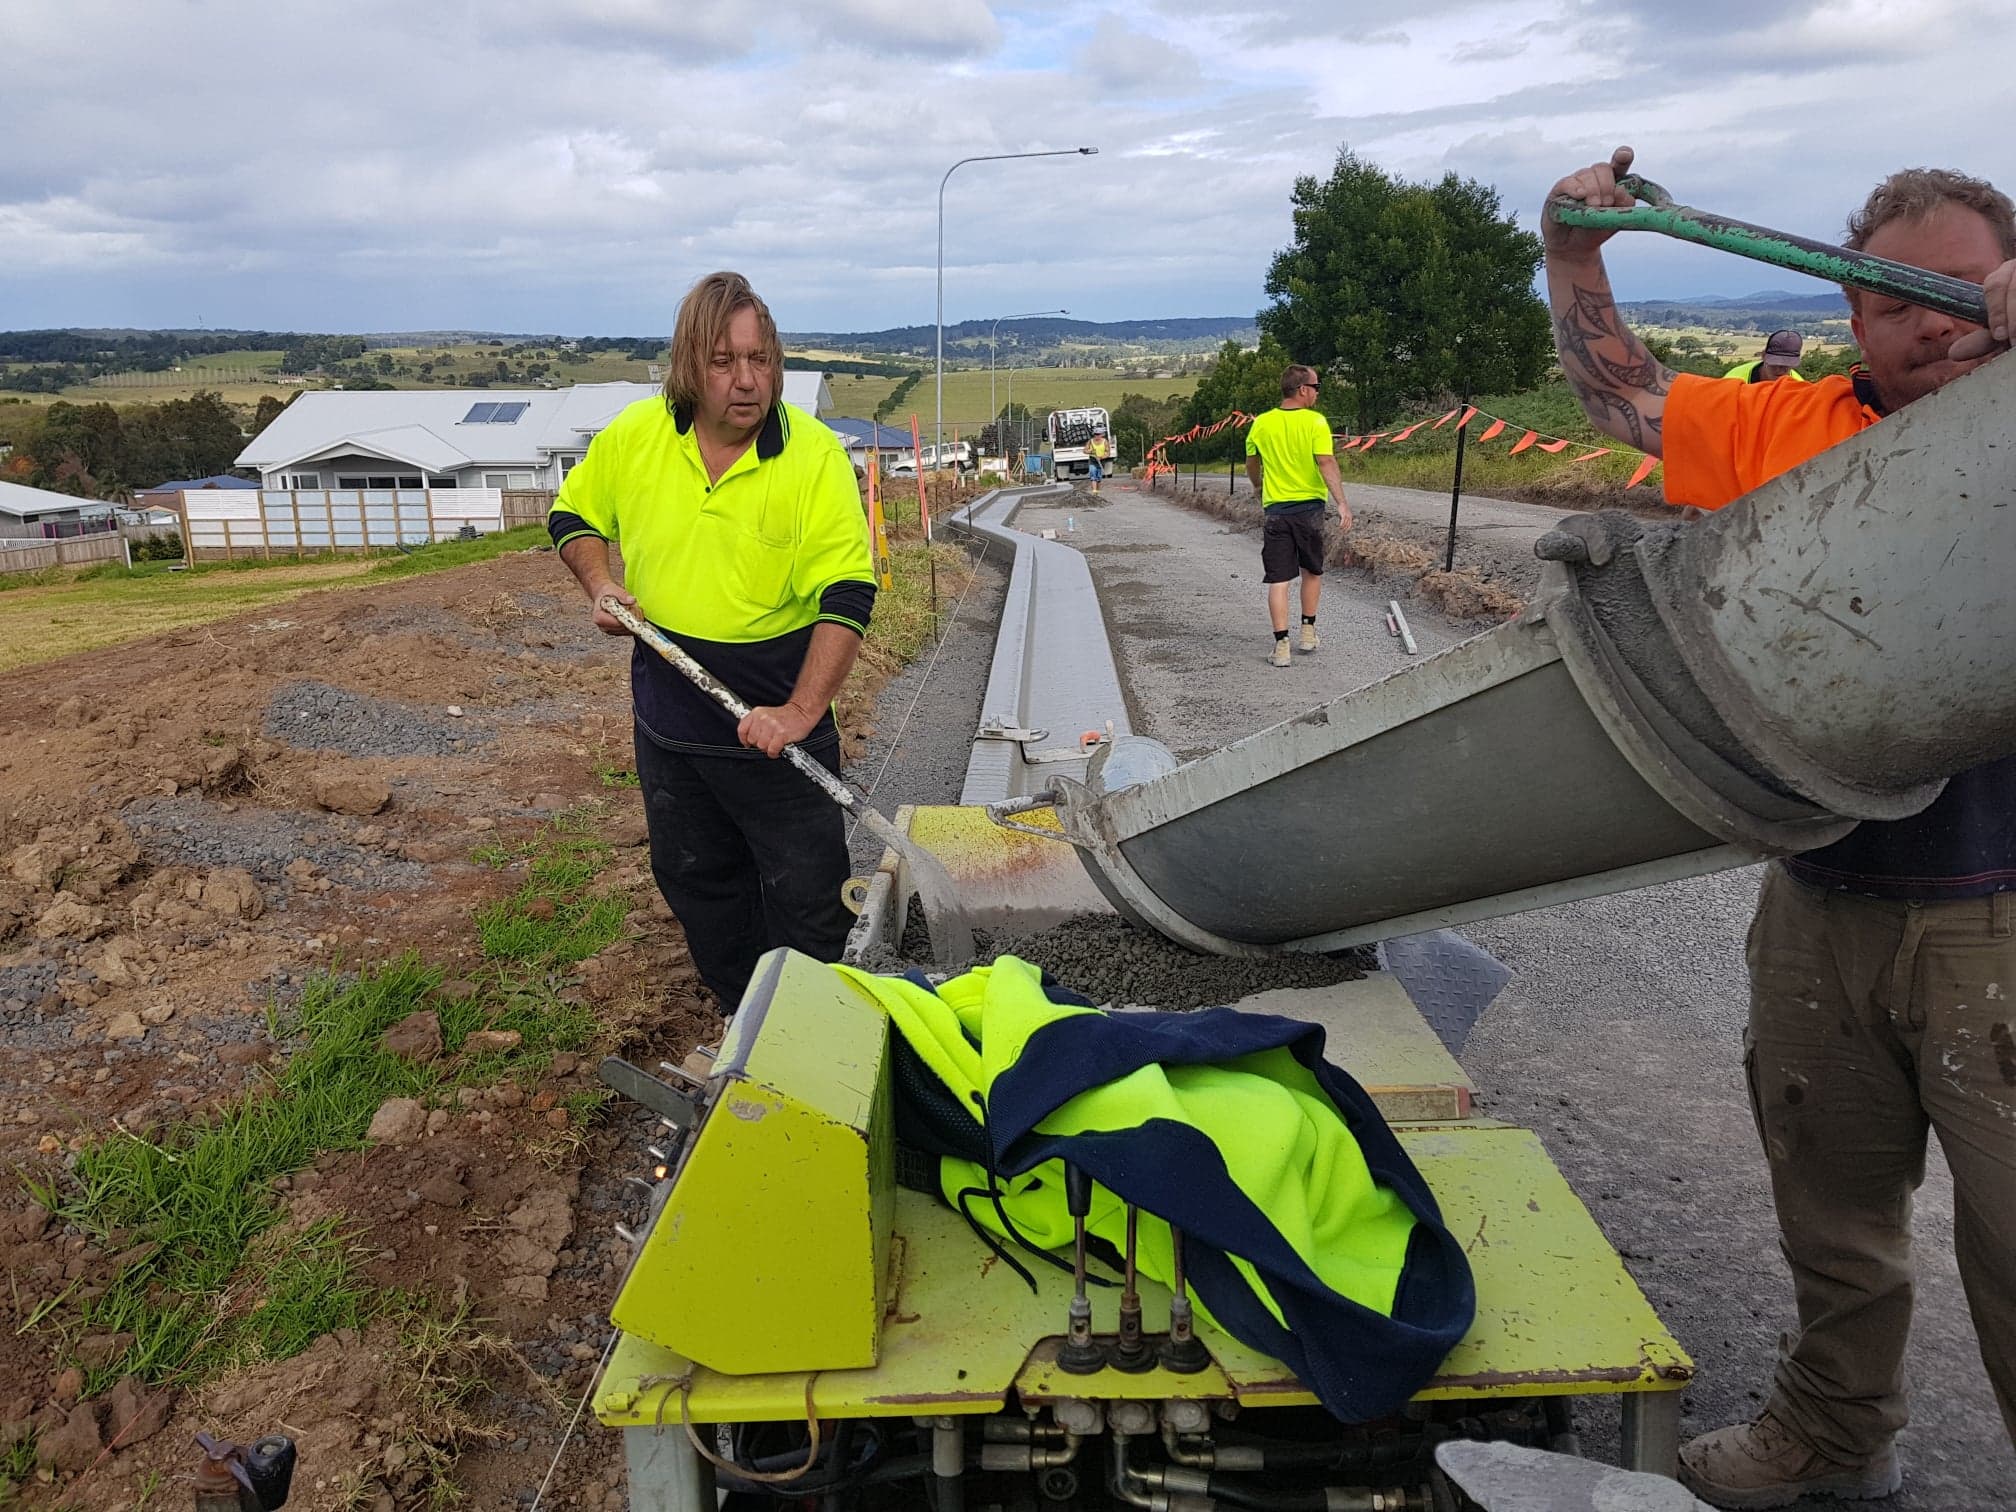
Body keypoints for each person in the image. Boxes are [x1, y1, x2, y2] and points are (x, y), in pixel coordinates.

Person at [1545, 145, 2016, 1509]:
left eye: (1962, 293)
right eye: (1895, 298)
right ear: (1854, 320)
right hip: (1825, 895)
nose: (1931, 323)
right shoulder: (1784, 430)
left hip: (2002, 914)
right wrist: (1572, 253)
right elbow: (1623, 394)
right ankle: (1832, 1436)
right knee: (1835, 1212)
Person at [548, 271, 878, 1012]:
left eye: (760, 360)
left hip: (775, 719)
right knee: (698, 881)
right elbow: (573, 516)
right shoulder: (637, 437)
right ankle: (744, 1014)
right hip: (671, 708)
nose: (747, 381)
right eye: (725, 362)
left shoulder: (814, 456)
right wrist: (600, 584)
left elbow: (848, 593)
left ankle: (816, 1036)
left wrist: (798, 711)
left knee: (810, 898)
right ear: (688, 367)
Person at [1244, 365, 1353, 668]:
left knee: (1278, 579)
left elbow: (1252, 463)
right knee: (1311, 571)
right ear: (1303, 389)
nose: (1318, 392)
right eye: (1317, 387)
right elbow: (1326, 462)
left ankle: (1281, 647)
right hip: (1310, 509)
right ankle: (1308, 631)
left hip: (1276, 510)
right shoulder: (1316, 422)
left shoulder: (1261, 423)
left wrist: (1257, 487)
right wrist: (1342, 503)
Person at [1724, 328, 1808, 383]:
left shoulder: (1798, 386)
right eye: (1774, 362)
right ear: (1763, 356)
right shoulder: (1733, 379)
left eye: (1786, 365)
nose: (1779, 369)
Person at [1087, 429, 1109, 493]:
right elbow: (1085, 450)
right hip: (1093, 460)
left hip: (1101, 461)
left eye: (1098, 434)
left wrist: (1101, 457)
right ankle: (1094, 491)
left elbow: (1107, 453)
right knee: (1093, 475)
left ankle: (1098, 491)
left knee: (1098, 478)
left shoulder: (1105, 442)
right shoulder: (1090, 441)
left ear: (1101, 435)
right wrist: (1090, 451)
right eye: (1095, 434)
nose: (1097, 436)